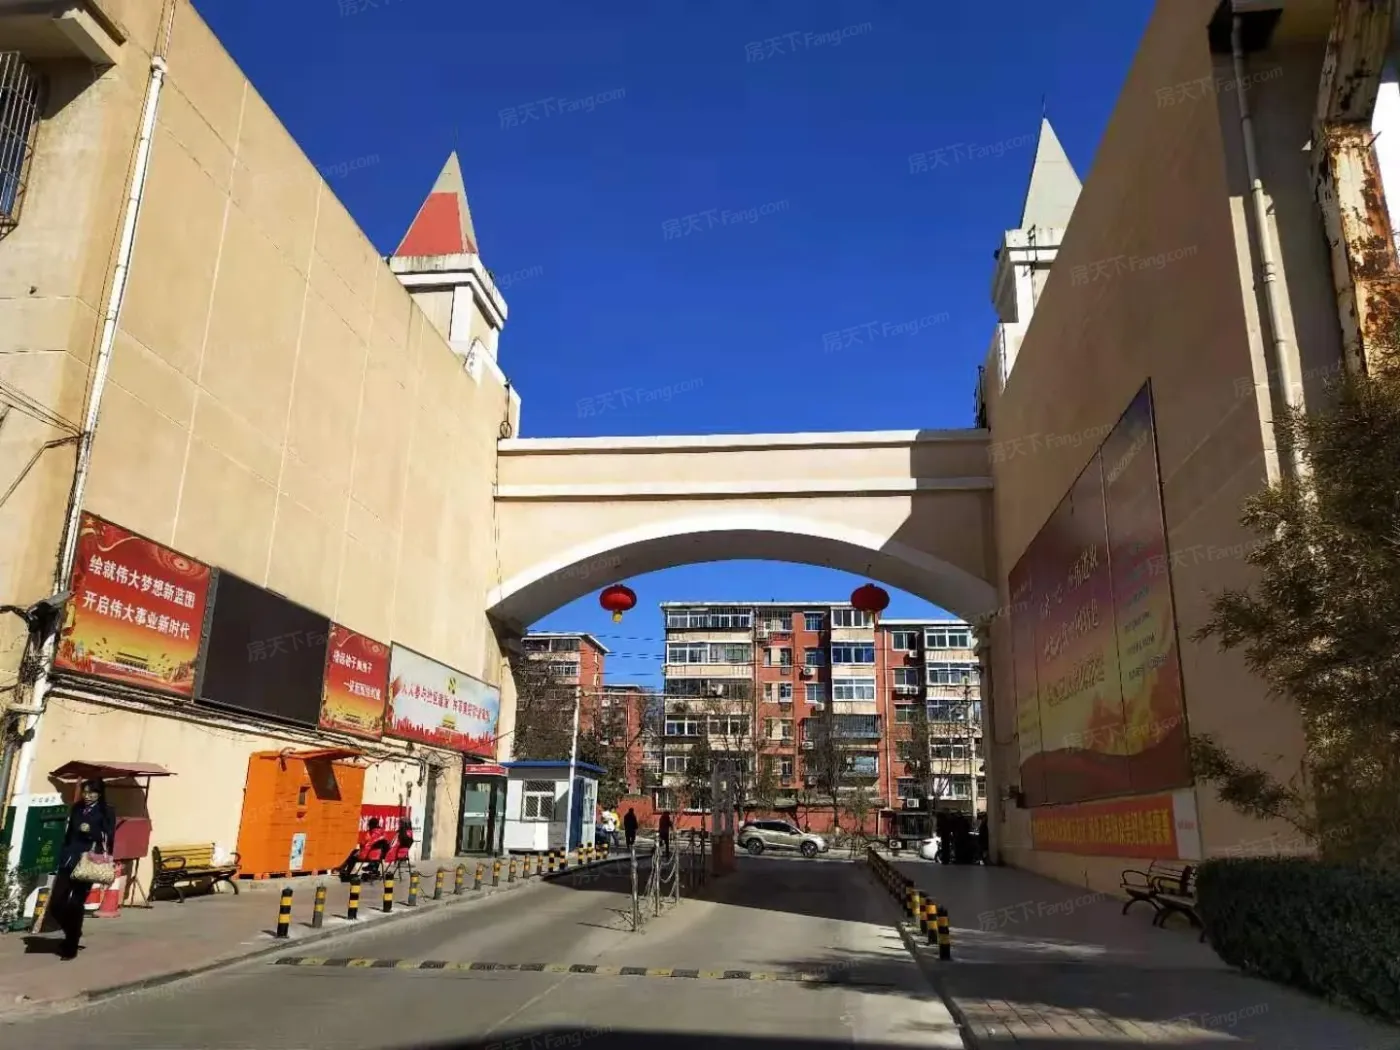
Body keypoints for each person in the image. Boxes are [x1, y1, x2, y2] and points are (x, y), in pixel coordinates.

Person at [50, 778, 115, 960]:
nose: (87, 796)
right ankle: (73, 933)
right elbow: (69, 834)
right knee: (56, 903)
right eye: (85, 792)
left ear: (99, 794)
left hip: (88, 862)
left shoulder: (106, 811)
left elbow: (109, 837)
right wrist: (61, 854)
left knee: (75, 904)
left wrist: (92, 830)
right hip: (68, 860)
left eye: (91, 793)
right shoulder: (77, 808)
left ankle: (70, 947)